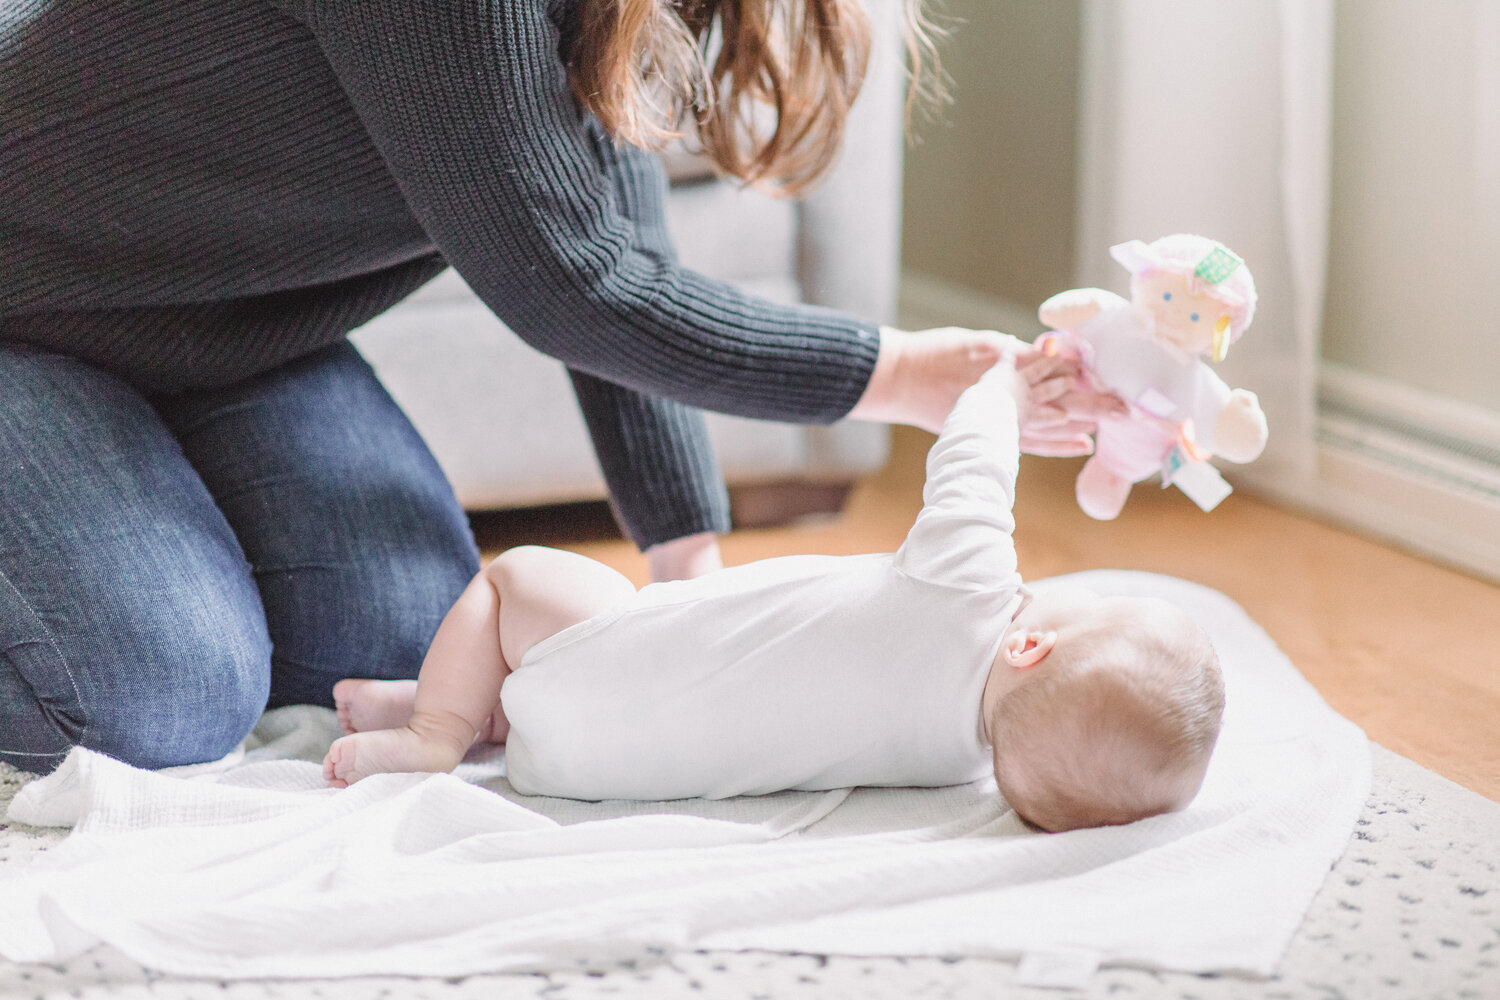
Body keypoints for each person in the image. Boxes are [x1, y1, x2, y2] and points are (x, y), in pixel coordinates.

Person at [0, 1, 1114, 774]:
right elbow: (572, 286)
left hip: (215, 324)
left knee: (401, 645)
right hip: (25, 299)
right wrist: (910, 373)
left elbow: (617, 237)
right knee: (157, 693)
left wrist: (687, 580)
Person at [324, 349, 1224, 833]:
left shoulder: (971, 589)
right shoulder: (956, 761)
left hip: (607, 659)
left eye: (1090, 607)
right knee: (640, 684)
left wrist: (1002, 390)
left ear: (1032, 646)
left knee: (516, 577)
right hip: (591, 772)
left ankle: (436, 730)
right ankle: (482, 709)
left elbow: (972, 465)